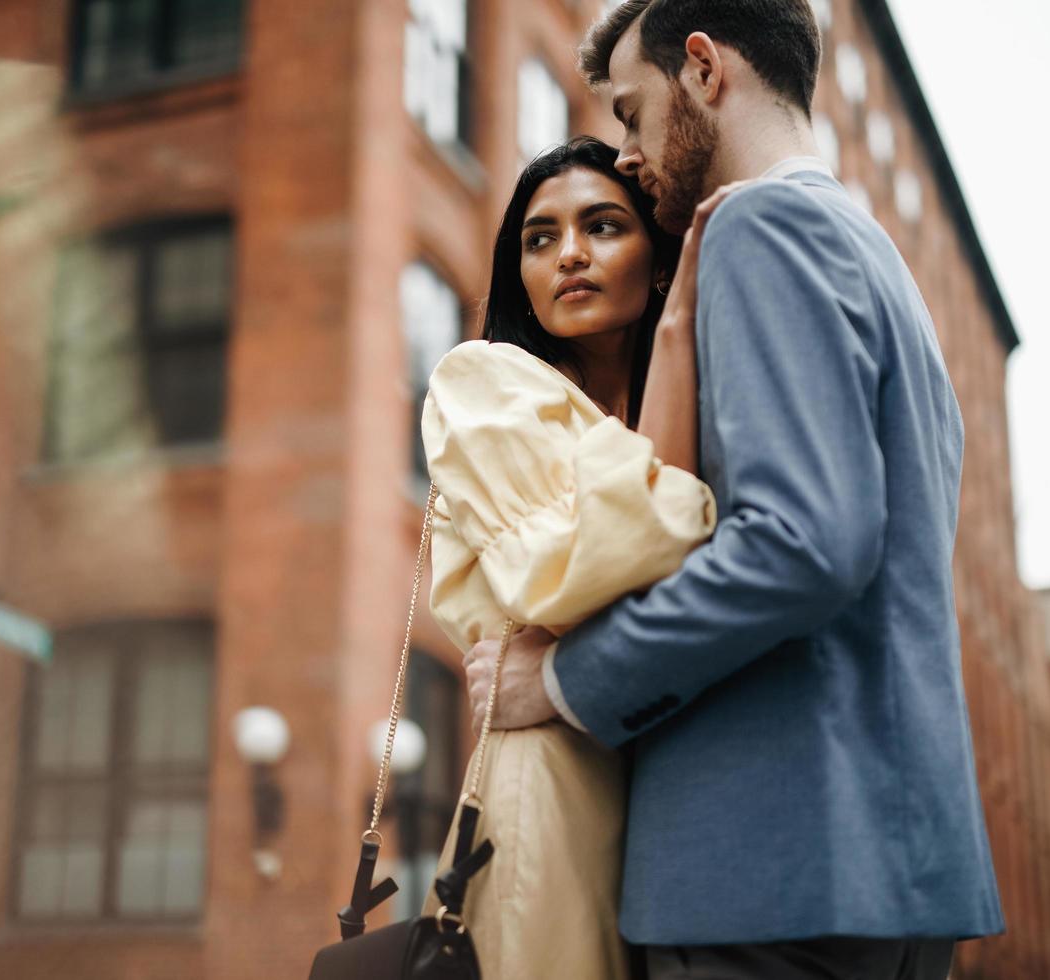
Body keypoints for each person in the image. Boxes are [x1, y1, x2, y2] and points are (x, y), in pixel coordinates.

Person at [460, 2, 1005, 979]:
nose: (629, 152)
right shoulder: (876, 258)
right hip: (895, 870)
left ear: (704, 71)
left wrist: (561, 680)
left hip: (766, 868)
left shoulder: (761, 223)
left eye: (632, 113)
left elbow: (804, 543)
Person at [418, 136, 717, 979]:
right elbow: (589, 569)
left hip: (687, 786)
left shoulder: (706, 391)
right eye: (539, 239)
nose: (570, 255)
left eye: (603, 226)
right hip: (552, 784)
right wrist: (686, 327)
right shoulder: (484, 386)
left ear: (658, 259)